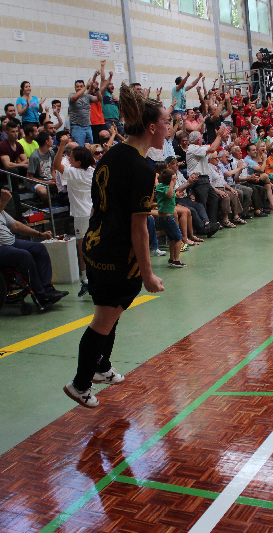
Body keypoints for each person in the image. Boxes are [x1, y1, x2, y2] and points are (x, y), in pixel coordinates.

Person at [64, 83, 166, 409]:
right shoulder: (141, 168)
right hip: (116, 255)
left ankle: (101, 366)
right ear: (152, 128)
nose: (169, 127)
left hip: (96, 244)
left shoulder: (111, 155)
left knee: (113, 312)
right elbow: (139, 228)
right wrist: (148, 274)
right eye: (166, 122)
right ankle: (80, 384)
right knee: (103, 320)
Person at [0, 177, 68, 306]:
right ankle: (40, 295)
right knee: (23, 255)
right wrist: (2, 203)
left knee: (39, 248)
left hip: (7, 243)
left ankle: (47, 289)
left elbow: (15, 225)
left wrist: (39, 234)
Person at [52, 135, 95, 297]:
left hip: (82, 215)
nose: (69, 159)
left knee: (83, 248)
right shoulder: (92, 171)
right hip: (93, 212)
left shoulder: (73, 173)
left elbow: (56, 165)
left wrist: (62, 145)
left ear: (78, 162)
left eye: (71, 158)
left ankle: (86, 280)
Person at [155, 169, 186, 267]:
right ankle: (176, 260)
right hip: (167, 217)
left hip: (163, 218)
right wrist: (172, 183)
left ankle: (172, 259)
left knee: (172, 239)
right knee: (178, 238)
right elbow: (168, 195)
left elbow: (168, 196)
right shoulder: (167, 187)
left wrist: (175, 195)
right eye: (174, 179)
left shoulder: (160, 186)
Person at [68, 78, 98, 146]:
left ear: (83, 86)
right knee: (79, 147)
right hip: (77, 127)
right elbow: (74, 98)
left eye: (81, 86)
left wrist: (97, 87)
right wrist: (86, 86)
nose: (79, 88)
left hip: (88, 126)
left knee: (90, 147)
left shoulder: (87, 96)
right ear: (75, 88)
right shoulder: (71, 95)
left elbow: (99, 98)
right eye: (77, 86)